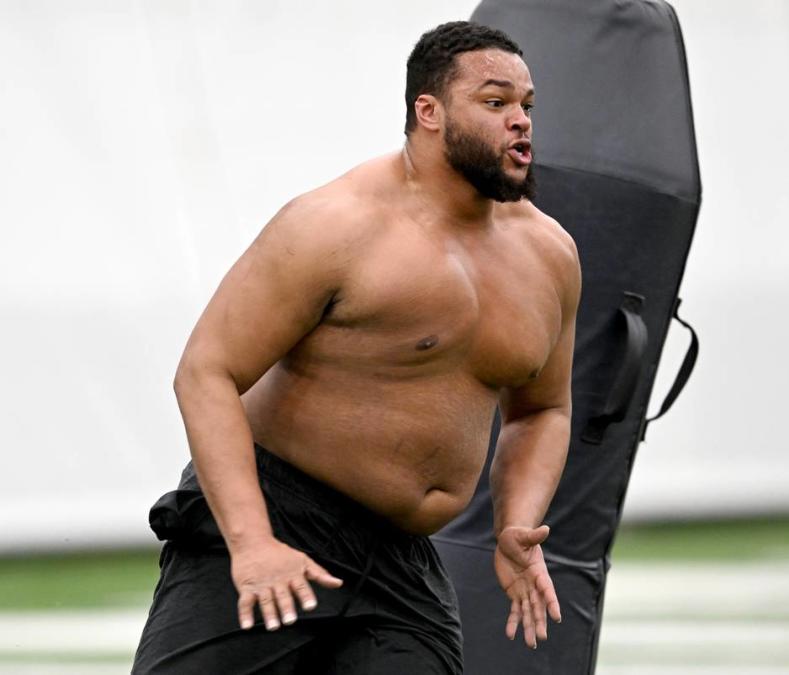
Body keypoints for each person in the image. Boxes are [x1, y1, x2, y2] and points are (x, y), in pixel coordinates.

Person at [133, 20, 581, 675]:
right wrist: (251, 541)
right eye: (495, 103)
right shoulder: (332, 225)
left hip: (399, 559)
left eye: (527, 105)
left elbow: (542, 409)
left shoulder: (550, 255)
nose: (520, 122)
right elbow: (206, 372)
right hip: (276, 515)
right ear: (428, 112)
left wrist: (516, 520)